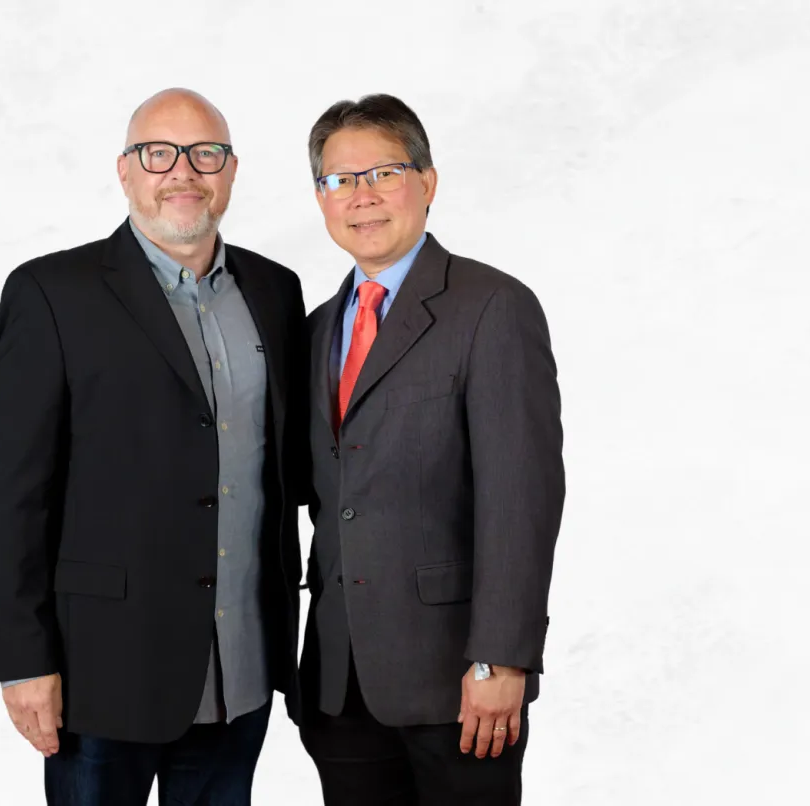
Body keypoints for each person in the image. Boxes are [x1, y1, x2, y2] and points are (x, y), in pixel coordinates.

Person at [0, 87, 309, 806]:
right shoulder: (51, 292)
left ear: (231, 170)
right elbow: (13, 495)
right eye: (158, 153)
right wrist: (22, 660)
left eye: (205, 154)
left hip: (241, 669)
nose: (183, 172)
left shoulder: (277, 292)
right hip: (102, 672)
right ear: (126, 171)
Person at [296, 93, 566, 805]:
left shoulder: (491, 307)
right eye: (339, 180)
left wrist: (501, 659)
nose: (363, 196)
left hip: (456, 685)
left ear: (428, 182)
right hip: (338, 684)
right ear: (320, 198)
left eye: (383, 172)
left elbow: (521, 498)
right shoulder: (319, 326)